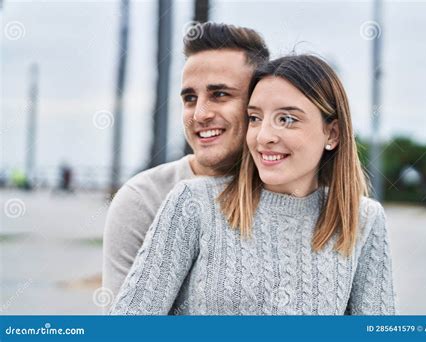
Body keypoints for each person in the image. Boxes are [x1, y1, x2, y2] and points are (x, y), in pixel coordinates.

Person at [109, 54, 397, 315]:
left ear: (332, 133)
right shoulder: (193, 203)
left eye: (286, 119)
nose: (263, 136)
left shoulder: (364, 220)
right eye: (255, 118)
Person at [102, 23, 270, 302]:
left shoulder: (292, 191)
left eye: (220, 95)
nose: (199, 114)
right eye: (190, 98)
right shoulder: (142, 200)